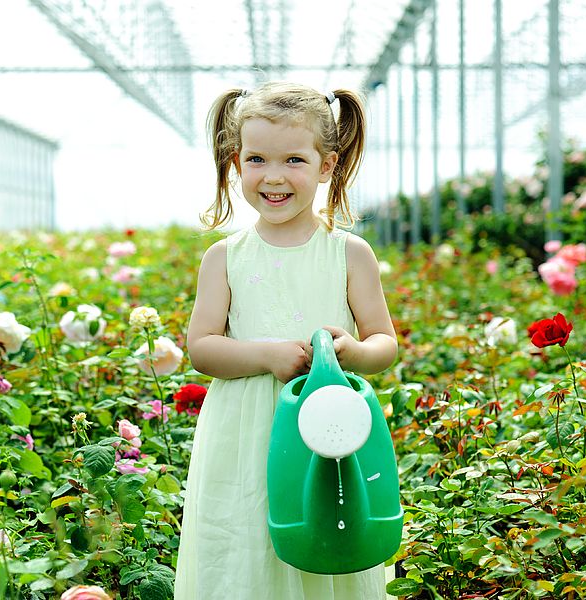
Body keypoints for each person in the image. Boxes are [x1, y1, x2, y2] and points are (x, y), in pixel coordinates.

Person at [175, 81, 399, 599]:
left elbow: (384, 343)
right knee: (247, 542)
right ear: (235, 163)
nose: (273, 177)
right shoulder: (225, 257)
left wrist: (354, 352)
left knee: (325, 531)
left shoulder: (349, 253)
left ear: (327, 166)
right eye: (256, 159)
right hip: (245, 435)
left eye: (293, 160)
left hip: (330, 429)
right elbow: (202, 348)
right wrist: (266, 355)